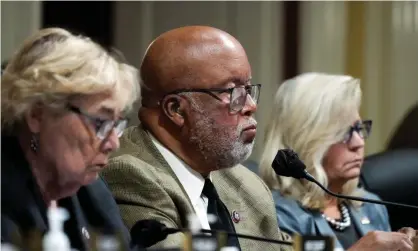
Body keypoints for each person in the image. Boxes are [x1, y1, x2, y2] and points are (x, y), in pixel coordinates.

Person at [101, 26, 292, 251]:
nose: (251, 105)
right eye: (232, 92)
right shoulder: (129, 174)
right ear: (177, 110)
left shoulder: (247, 185)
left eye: (248, 89)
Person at [1, 28, 142, 251]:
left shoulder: (91, 189)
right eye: (100, 122)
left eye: (116, 125)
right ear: (37, 115)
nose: (113, 143)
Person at [259, 73, 417, 251]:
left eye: (359, 129)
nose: (358, 143)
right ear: (304, 140)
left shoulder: (371, 206)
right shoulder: (278, 216)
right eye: (343, 132)